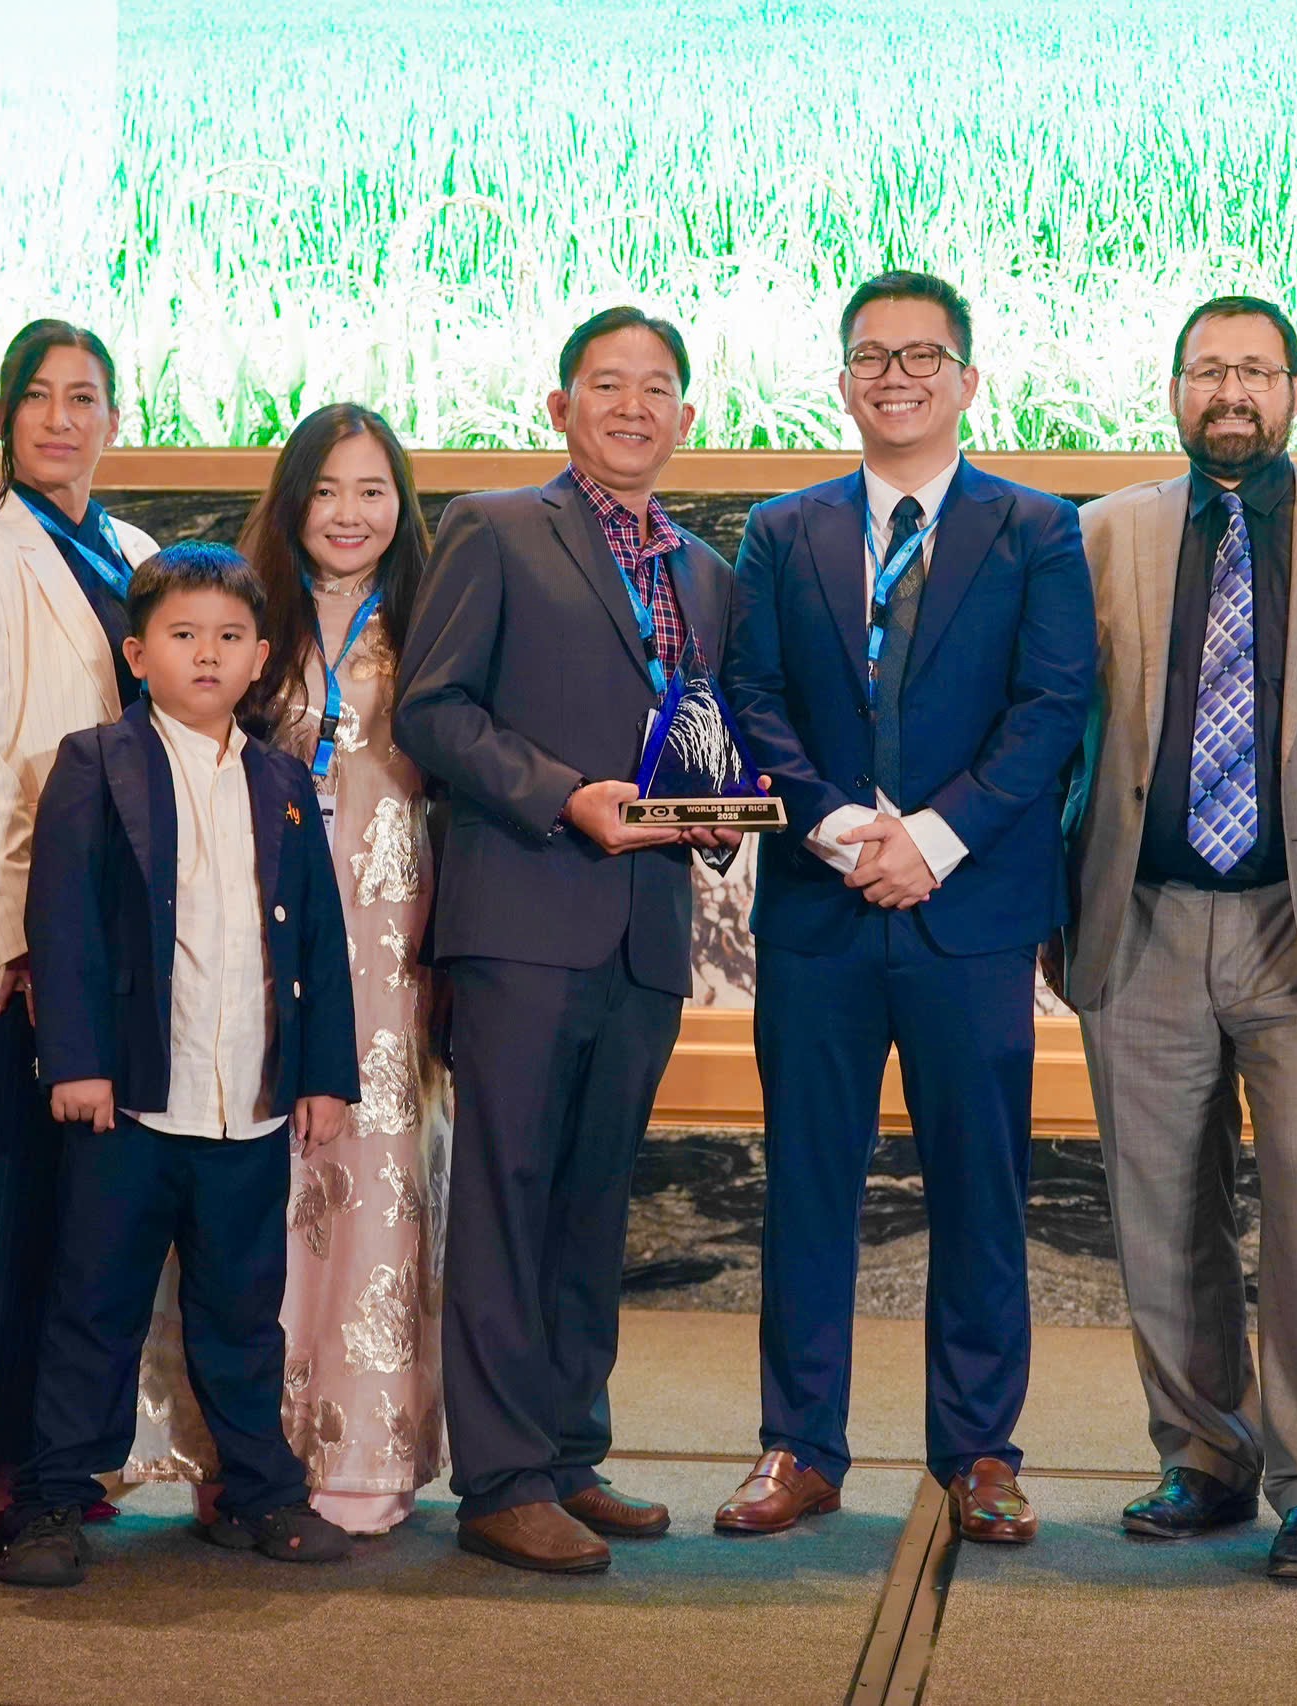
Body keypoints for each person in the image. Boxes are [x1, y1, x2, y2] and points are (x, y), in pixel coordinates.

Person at [716, 271, 1095, 1547]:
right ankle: (798, 1445)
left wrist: (930, 840)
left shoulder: (1038, 528)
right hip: (819, 913)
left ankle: (978, 1451)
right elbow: (753, 696)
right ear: (842, 383)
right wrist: (838, 830)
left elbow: (1051, 707)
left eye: (922, 355)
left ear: (967, 380)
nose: (897, 376)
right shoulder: (782, 530)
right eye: (872, 356)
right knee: (805, 1186)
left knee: (981, 1189)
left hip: (967, 912)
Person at [1057, 296, 1297, 1581]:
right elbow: (1057, 730)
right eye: (1207, 369)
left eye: (1255, 370)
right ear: (1173, 390)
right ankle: (1204, 1454)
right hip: (1142, 918)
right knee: (1160, 1208)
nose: (1231, 391)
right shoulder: (1102, 534)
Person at [396, 307, 738, 1573]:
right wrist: (559, 794)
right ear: (560, 406)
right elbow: (433, 709)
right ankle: (499, 1478)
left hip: (646, 931)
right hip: (525, 917)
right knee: (506, 1195)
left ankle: (568, 1450)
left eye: (656, 388)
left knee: (593, 1204)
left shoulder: (706, 574)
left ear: (687, 417)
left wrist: (717, 811)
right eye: (607, 384)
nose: (632, 406)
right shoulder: (495, 528)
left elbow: (697, 731)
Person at [0, 543, 362, 1588]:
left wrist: (323, 1074)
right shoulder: (93, 761)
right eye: (184, 634)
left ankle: (261, 1490)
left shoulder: (282, 780)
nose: (208, 654)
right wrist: (78, 1060)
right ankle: (52, 1498)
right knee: (94, 1306)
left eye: (230, 637)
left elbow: (318, 938)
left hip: (248, 1103)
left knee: (242, 1315)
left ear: (259, 658)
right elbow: (62, 920)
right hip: (131, 1101)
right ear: (137, 653)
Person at [118, 404, 449, 1534]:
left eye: (372, 491)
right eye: (326, 490)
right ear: (291, 500)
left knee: (380, 1177)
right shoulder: (245, 615)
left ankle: (363, 1453)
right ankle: (239, 1449)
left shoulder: (434, 613)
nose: (349, 514)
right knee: (255, 1188)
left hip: (396, 943)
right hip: (258, 934)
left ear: (400, 503)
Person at [0, 319, 159, 1526]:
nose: (62, 418)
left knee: (83, 1216)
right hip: (0, 950)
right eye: (39, 397)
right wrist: (27, 939)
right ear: (2, 416)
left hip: (118, 936)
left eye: (84, 396)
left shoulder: (140, 551)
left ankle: (63, 1442)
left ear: (116, 417)